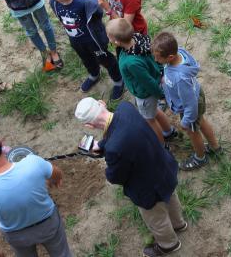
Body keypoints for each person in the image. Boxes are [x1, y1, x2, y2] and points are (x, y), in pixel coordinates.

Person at [74, 97, 186, 257]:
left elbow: (116, 177)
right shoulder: (125, 108)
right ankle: (179, 224)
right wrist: (103, 145)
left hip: (148, 189)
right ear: (102, 103)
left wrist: (107, 160)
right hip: (163, 167)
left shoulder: (114, 149)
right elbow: (126, 132)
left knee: (157, 219)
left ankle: (169, 244)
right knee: (171, 198)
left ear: (89, 125)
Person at [0, 132, 72, 257]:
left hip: (17, 236)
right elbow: (57, 174)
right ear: (1, 145)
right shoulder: (33, 163)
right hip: (48, 223)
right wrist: (51, 181)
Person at [48, 0, 124, 100]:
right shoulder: (53, 2)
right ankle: (94, 74)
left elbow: (97, 14)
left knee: (105, 59)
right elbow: (59, 16)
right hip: (76, 40)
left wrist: (97, 32)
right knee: (86, 58)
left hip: (93, 40)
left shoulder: (84, 2)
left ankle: (118, 80)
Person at [151, 32, 222, 170]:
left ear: (170, 57)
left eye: (158, 58)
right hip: (196, 95)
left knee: (193, 132)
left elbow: (191, 104)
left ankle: (200, 158)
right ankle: (215, 147)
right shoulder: (180, 52)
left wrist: (186, 121)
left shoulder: (180, 79)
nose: (155, 60)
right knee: (201, 122)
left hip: (190, 107)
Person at [105, 18, 176, 142]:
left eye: (108, 37)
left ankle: (161, 146)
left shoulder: (131, 63)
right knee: (155, 111)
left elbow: (147, 82)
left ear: (116, 41)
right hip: (154, 82)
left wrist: (160, 95)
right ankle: (168, 131)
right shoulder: (139, 38)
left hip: (145, 95)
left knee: (149, 120)